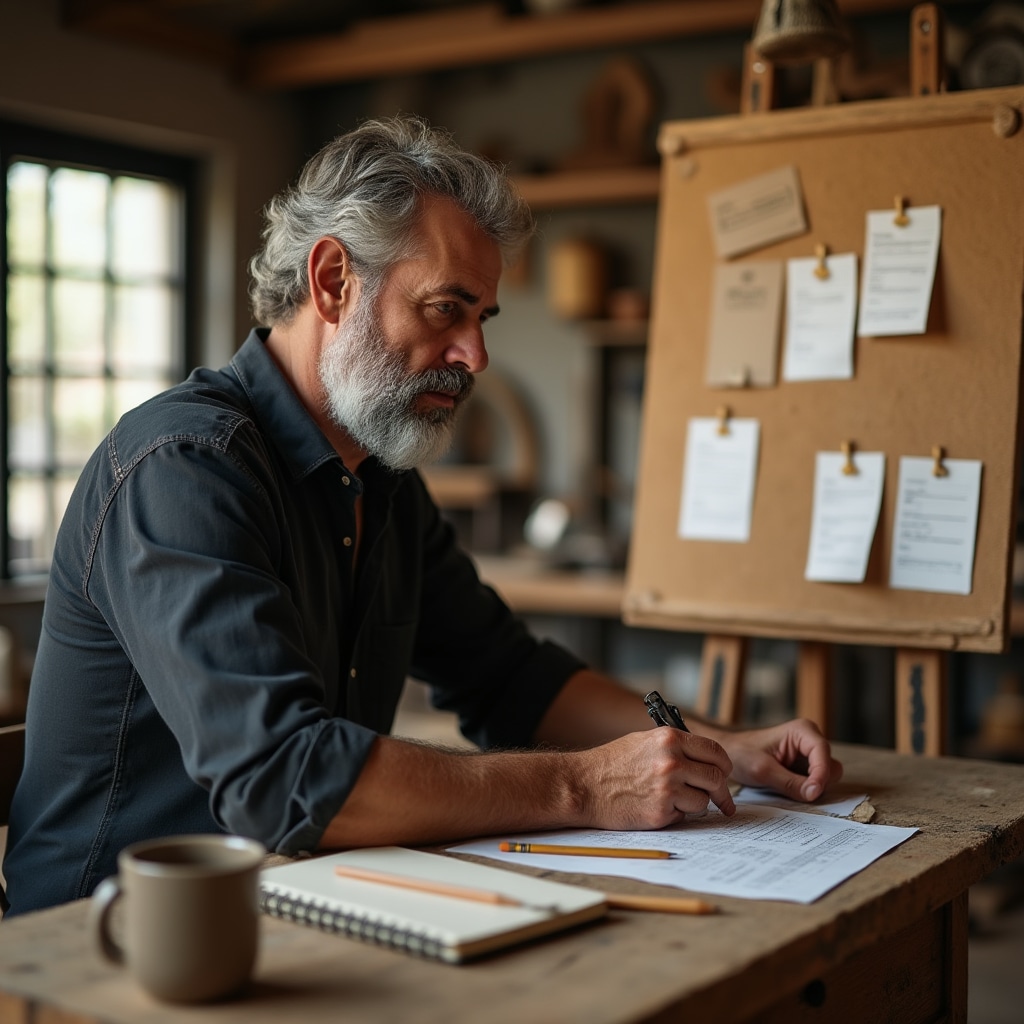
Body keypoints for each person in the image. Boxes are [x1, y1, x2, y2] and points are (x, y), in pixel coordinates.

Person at [2, 115, 841, 917]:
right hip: (108, 945)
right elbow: (284, 777)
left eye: (482, 319)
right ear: (333, 281)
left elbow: (510, 678)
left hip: (291, 904)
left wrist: (718, 748)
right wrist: (584, 786)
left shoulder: (379, 480)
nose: (475, 356)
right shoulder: (185, 467)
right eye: (447, 309)